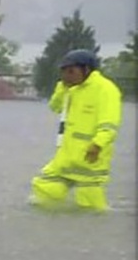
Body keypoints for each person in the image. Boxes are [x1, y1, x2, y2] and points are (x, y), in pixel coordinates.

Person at [30, 49, 122, 212]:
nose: (66, 75)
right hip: (67, 156)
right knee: (44, 188)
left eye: (71, 71)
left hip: (90, 156)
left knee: (91, 206)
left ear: (86, 69)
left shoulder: (105, 89)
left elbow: (109, 124)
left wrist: (98, 144)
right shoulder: (72, 89)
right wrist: (62, 88)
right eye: (63, 71)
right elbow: (55, 107)